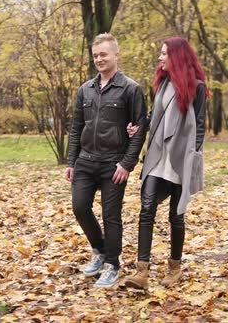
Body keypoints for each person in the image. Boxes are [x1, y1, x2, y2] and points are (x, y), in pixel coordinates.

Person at [125, 37, 208, 289]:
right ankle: (142, 272)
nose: (160, 58)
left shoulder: (197, 87)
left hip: (180, 158)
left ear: (177, 57)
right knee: (146, 208)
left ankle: (175, 267)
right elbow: (155, 116)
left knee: (176, 215)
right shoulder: (162, 85)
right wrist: (139, 127)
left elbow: (200, 126)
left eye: (164, 54)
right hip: (157, 155)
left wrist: (191, 159)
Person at [65, 33, 147, 288]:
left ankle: (112, 264)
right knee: (80, 207)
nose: (99, 59)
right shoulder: (85, 89)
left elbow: (139, 129)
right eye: (95, 55)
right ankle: (99, 251)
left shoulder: (131, 89)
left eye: (103, 54)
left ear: (116, 56)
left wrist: (126, 164)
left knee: (112, 215)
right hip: (86, 161)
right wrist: (71, 161)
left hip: (113, 164)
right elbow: (76, 127)